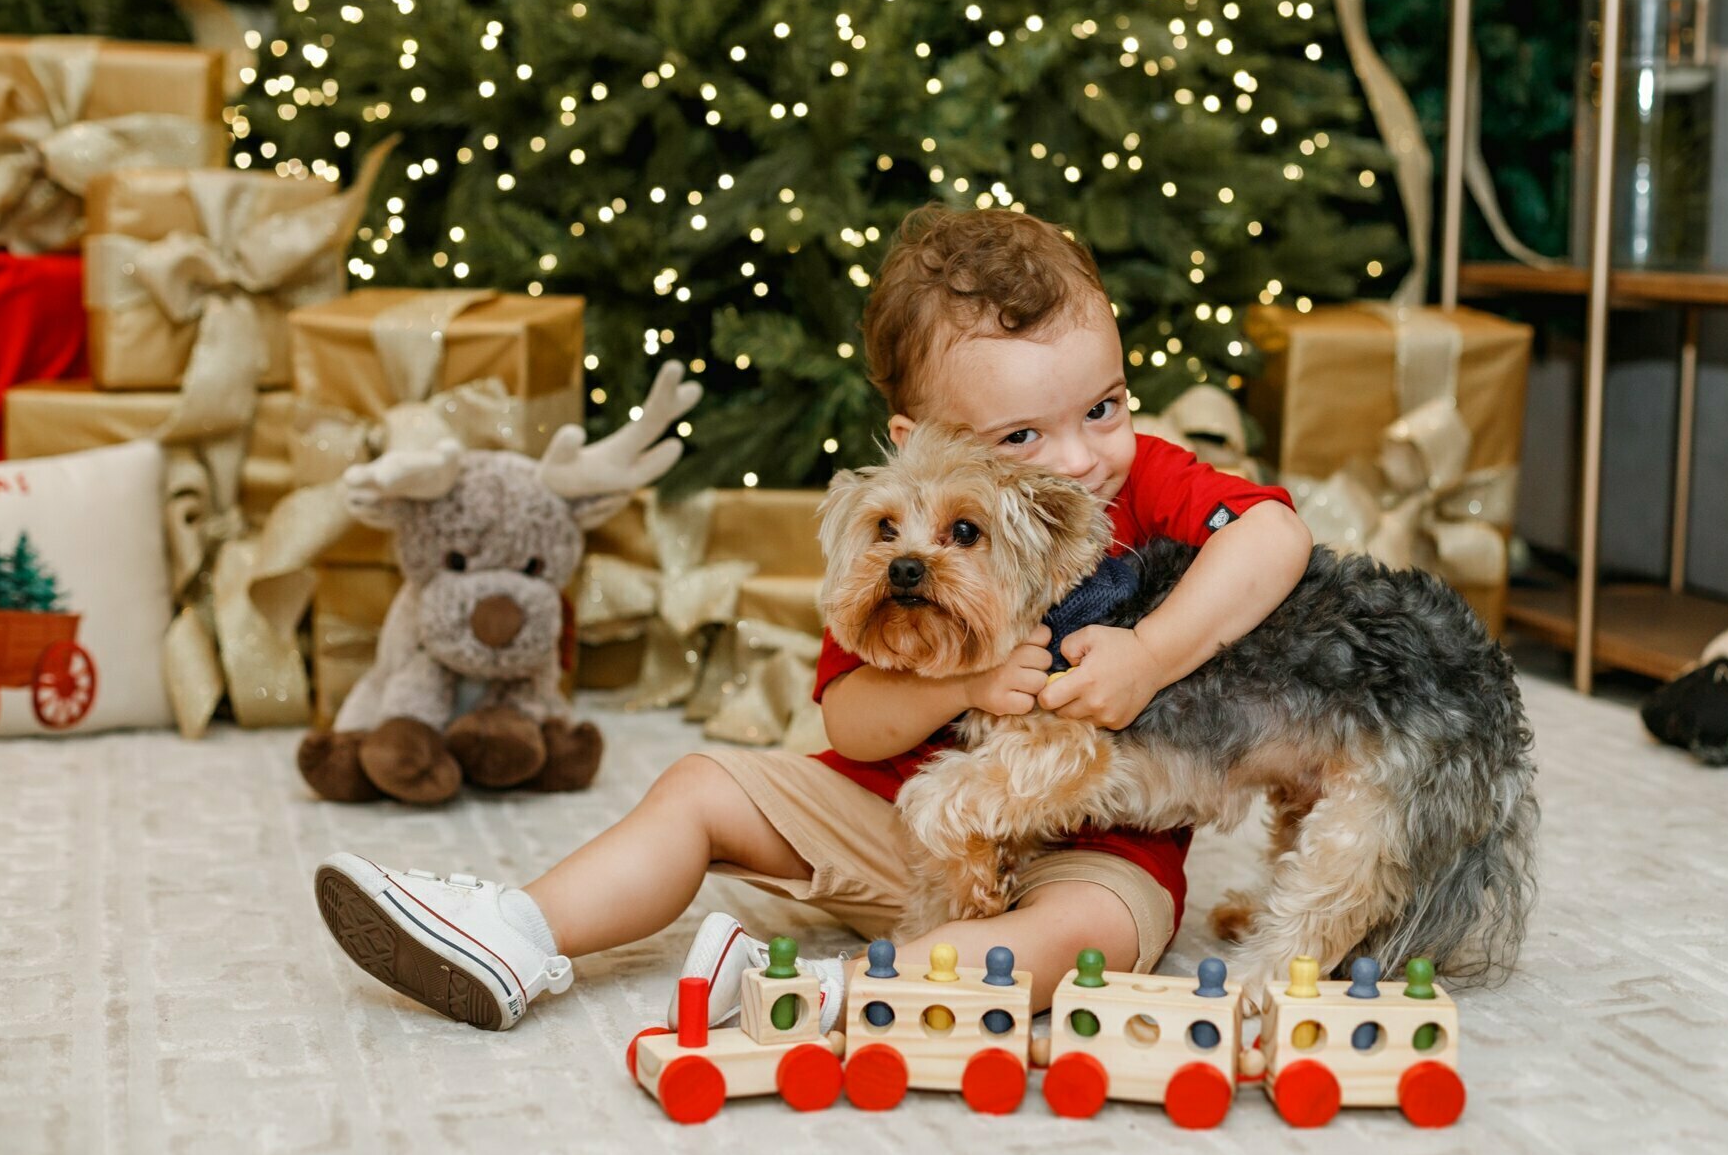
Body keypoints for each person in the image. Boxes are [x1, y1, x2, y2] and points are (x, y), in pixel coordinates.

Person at [312, 203, 1314, 1032]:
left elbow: (1276, 538)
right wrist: (963, 684)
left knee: (1083, 937)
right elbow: (850, 724)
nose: (1082, 456)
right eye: (1022, 436)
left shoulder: (1147, 482)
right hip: (897, 822)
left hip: (1095, 850)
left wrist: (1150, 650)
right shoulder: (903, 546)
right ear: (920, 447)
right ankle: (521, 930)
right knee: (702, 785)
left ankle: (850, 992)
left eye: (1104, 405)